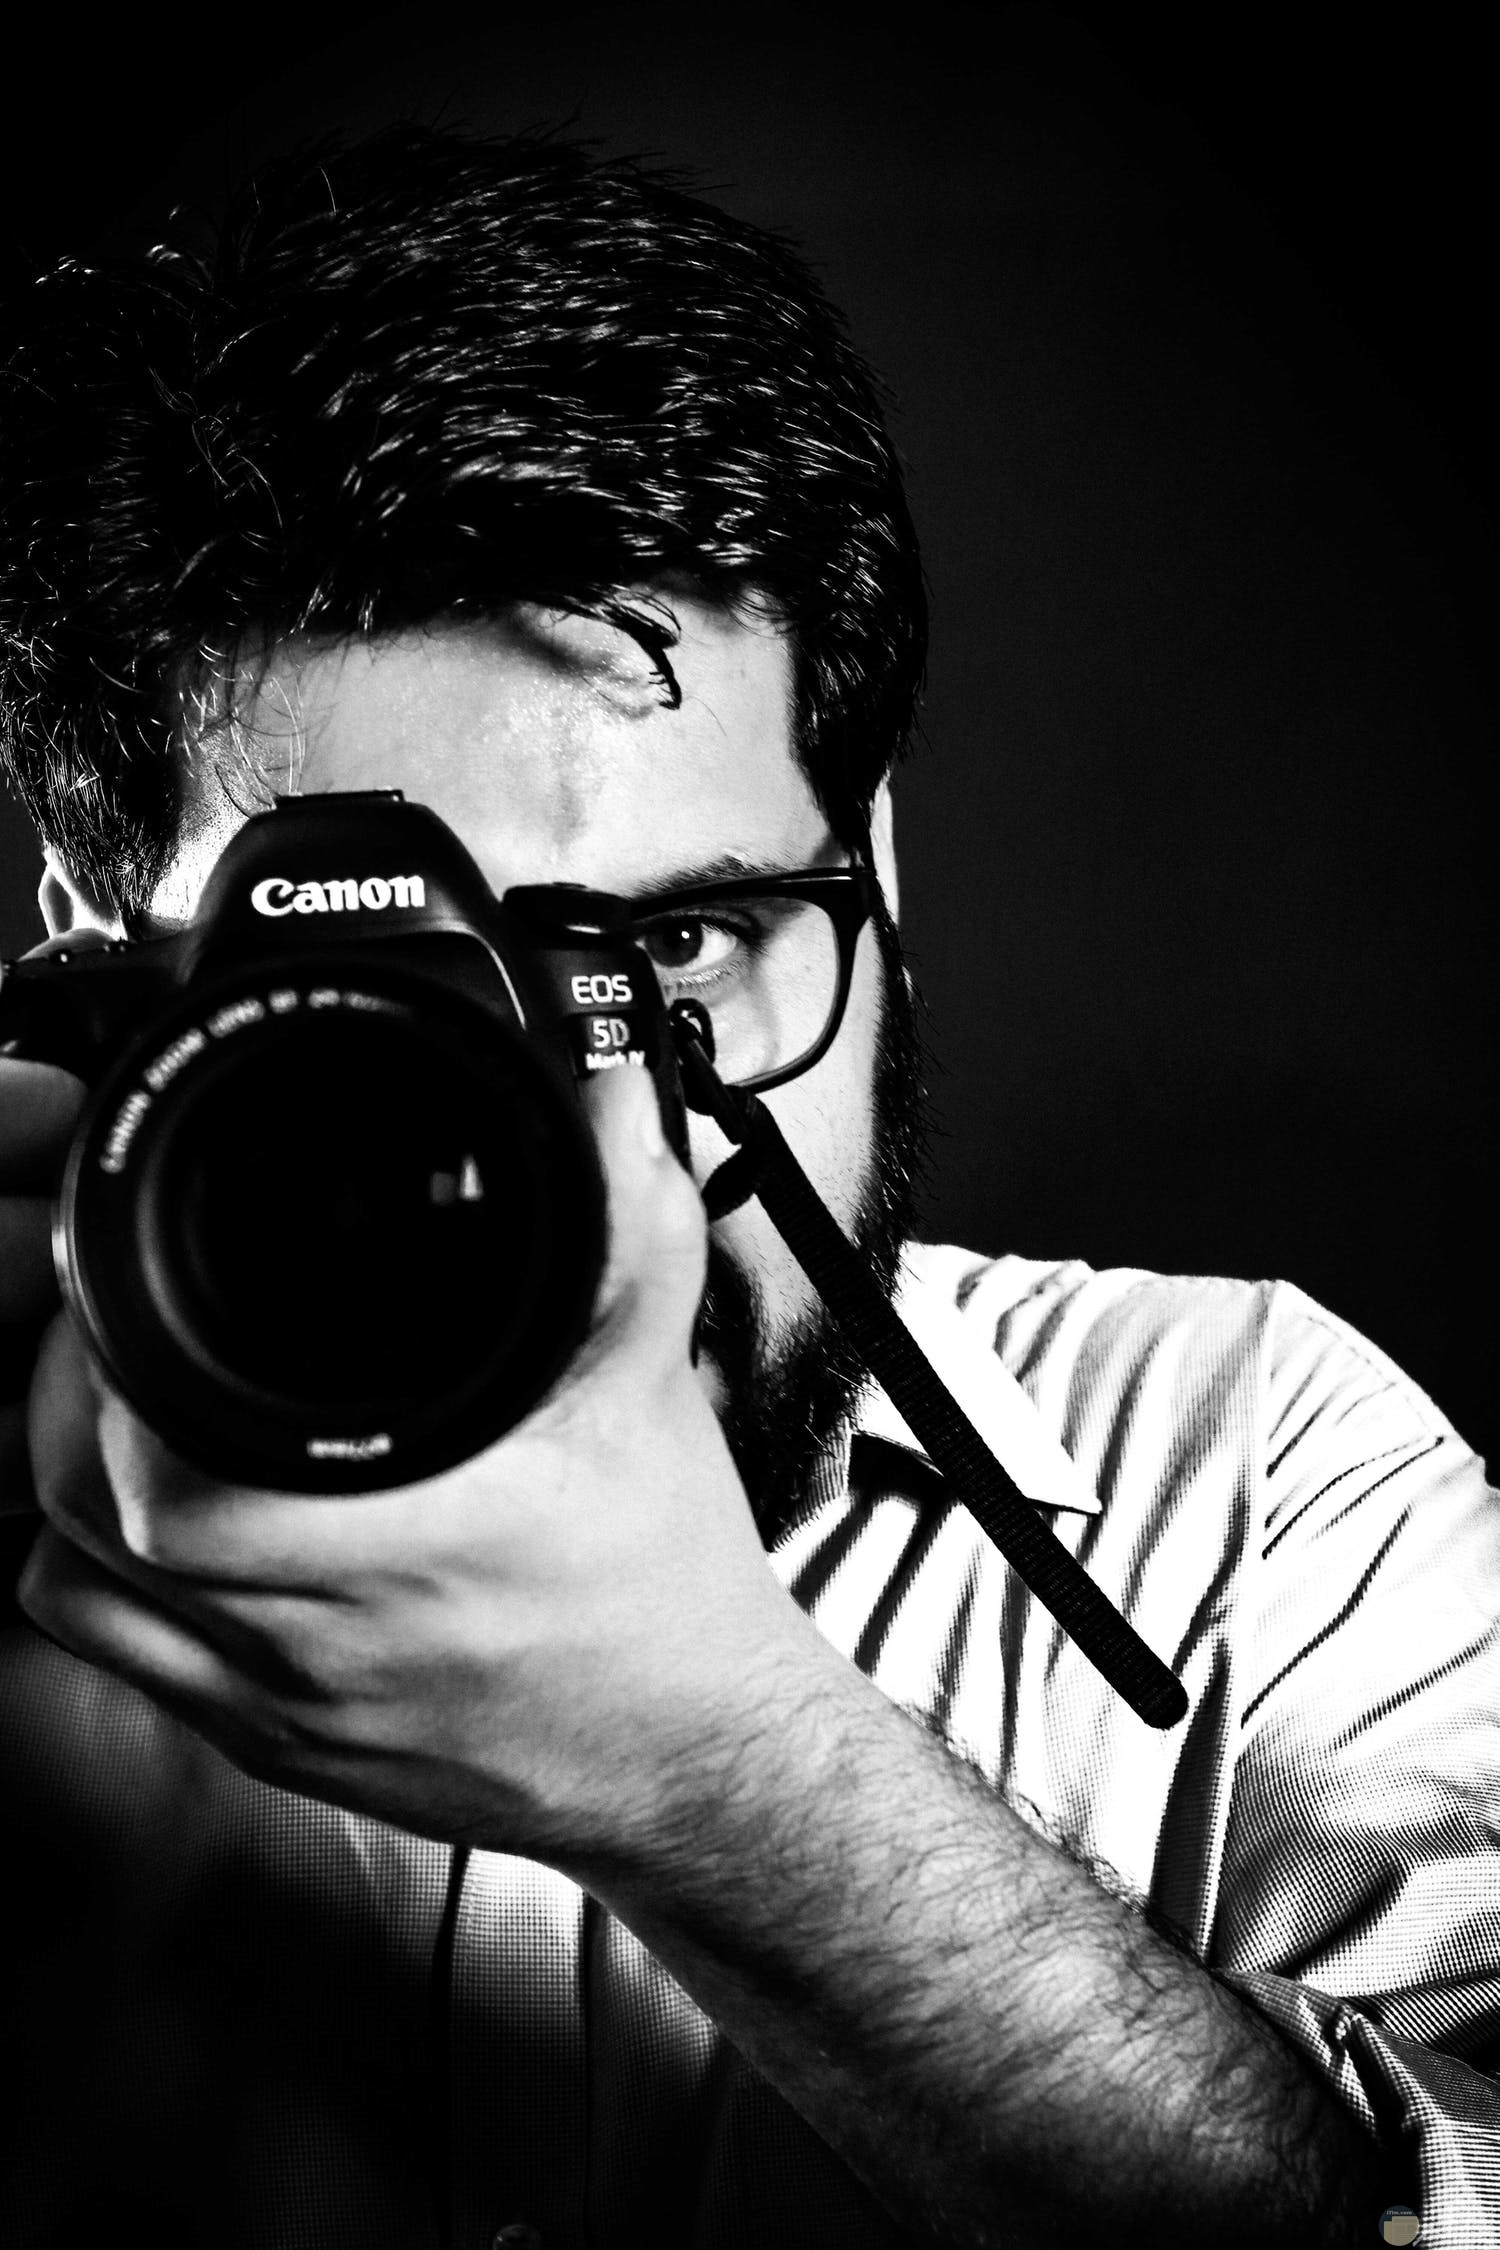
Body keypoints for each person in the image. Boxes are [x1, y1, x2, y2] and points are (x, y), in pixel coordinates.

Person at [0, 125, 1494, 2249]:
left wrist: (717, 1766)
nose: (591, 1150)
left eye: (674, 953)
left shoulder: (1253, 1485)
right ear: (94, 973)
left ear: (872, 877)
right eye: (397, 1005)